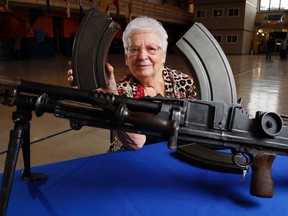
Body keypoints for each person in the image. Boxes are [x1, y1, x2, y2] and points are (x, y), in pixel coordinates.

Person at [68, 16, 197, 152]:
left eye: (151, 49)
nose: (142, 56)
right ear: (126, 58)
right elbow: (136, 143)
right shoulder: (120, 91)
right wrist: (110, 101)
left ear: (163, 56)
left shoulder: (186, 83)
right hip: (132, 158)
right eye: (134, 49)